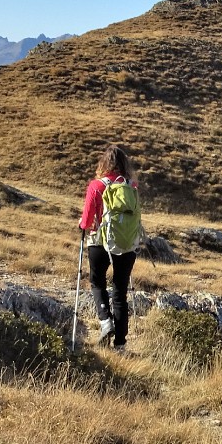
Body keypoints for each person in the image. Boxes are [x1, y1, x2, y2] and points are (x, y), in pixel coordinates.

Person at [78, 144, 140, 352]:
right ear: (125, 165)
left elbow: (87, 220)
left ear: (103, 163)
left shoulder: (96, 186)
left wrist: (82, 225)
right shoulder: (131, 187)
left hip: (99, 241)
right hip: (126, 244)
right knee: (120, 291)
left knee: (97, 282)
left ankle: (105, 321)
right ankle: (120, 344)